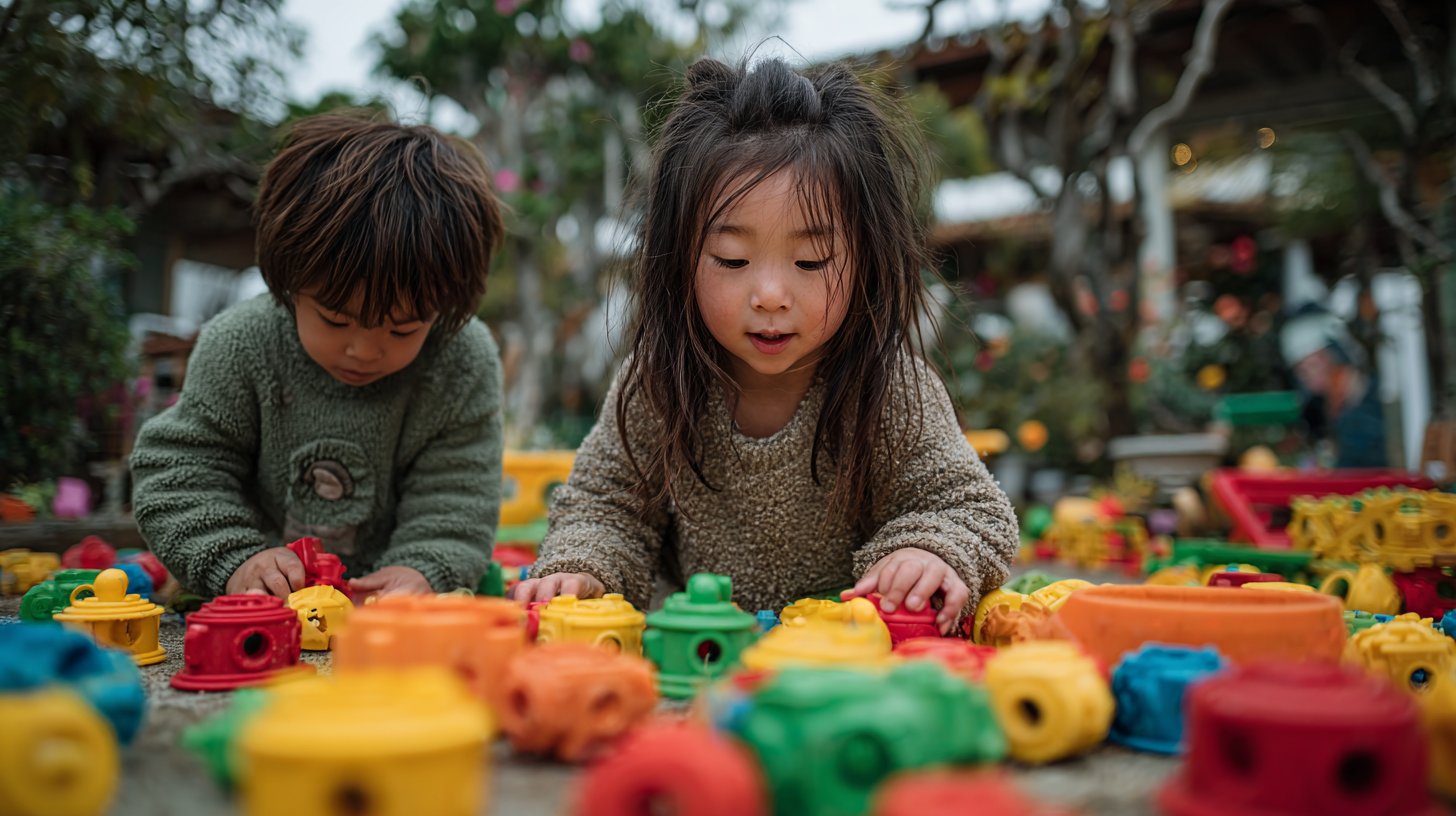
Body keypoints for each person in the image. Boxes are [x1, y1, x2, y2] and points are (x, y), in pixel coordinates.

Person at [515, 58, 1019, 634]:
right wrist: (584, 570)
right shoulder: (659, 382)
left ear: (866, 262)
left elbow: (967, 507)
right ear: (679, 260)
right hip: (703, 662)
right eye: (732, 260)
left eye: (811, 262)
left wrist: (931, 552)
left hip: (851, 665)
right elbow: (605, 507)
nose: (772, 295)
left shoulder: (889, 387)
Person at [130, 113, 506, 600]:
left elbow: (457, 494)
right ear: (287, 283)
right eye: (334, 319)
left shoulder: (461, 360)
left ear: (446, 307)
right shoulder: (243, 343)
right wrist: (237, 559)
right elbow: (181, 470)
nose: (363, 349)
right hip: (255, 608)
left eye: (403, 328)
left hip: (385, 615)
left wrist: (424, 569)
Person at [1280, 308, 1387, 468]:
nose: (1306, 376)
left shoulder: (1374, 405)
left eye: (1311, 365)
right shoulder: (1329, 408)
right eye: (1300, 370)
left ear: (1335, 356)